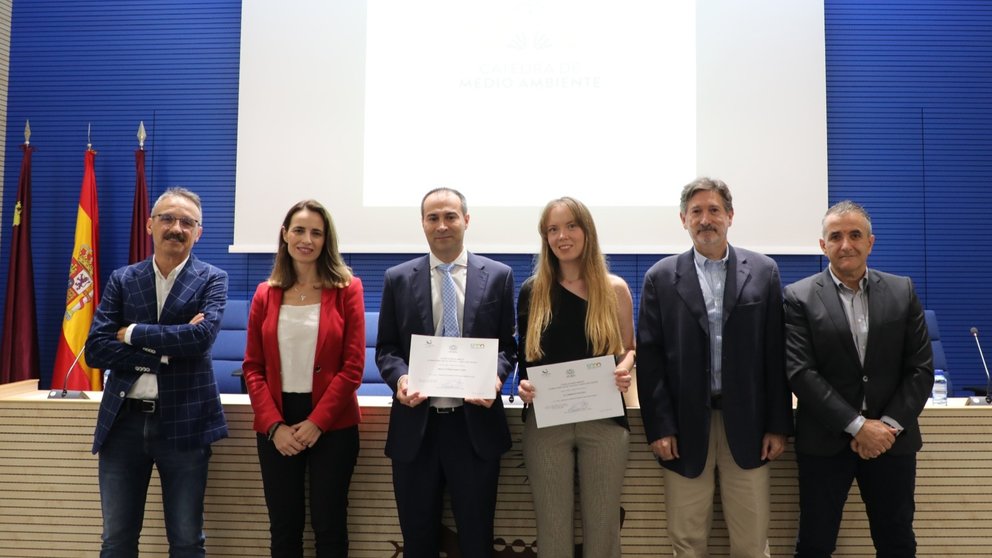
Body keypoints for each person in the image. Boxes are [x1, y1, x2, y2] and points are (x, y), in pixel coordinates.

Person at [636, 177, 794, 557]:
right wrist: (660, 427)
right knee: (687, 541)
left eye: (714, 210)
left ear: (730, 216)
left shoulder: (763, 271)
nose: (705, 219)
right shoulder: (660, 277)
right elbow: (651, 359)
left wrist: (778, 423)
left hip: (751, 425)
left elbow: (776, 353)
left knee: (752, 541)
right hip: (685, 429)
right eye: (696, 212)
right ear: (683, 219)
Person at [784, 200, 933, 558]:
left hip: (891, 442)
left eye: (855, 235)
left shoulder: (902, 291)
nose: (845, 244)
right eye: (835, 236)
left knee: (897, 541)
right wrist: (857, 426)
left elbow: (920, 368)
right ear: (823, 245)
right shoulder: (798, 297)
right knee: (815, 542)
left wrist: (887, 427)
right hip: (825, 439)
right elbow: (800, 372)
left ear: (871, 242)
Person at [86, 187, 229, 557]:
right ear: (150, 225)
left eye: (187, 222)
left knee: (186, 541)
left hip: (185, 423)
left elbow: (200, 340)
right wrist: (165, 353)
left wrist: (131, 333)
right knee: (116, 540)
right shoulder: (123, 279)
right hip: (123, 425)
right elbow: (97, 348)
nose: (176, 227)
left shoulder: (213, 279)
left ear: (199, 232)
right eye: (167, 218)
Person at [375, 187, 516, 558]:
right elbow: (387, 349)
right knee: (418, 540)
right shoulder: (398, 278)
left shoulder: (499, 276)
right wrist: (401, 379)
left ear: (466, 220)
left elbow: (508, 346)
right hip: (417, 427)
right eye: (433, 217)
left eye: (450, 216)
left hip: (474, 427)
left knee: (476, 538)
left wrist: (496, 377)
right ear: (423, 223)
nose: (442, 225)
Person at [242, 200, 365, 557]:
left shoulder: (348, 288)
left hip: (333, 422)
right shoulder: (266, 292)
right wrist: (273, 426)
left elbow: (353, 366)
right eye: (299, 230)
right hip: (276, 422)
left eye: (316, 232)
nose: (306, 239)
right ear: (284, 235)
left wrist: (317, 422)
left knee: (329, 526)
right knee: (284, 527)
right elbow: (253, 367)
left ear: (327, 240)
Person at [516, 197, 635, 558]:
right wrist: (522, 386)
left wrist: (624, 369)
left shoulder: (614, 289)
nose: (562, 236)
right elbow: (526, 360)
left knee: (603, 530)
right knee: (552, 533)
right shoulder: (532, 291)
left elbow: (629, 347)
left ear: (587, 231)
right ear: (545, 238)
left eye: (570, 226)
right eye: (553, 229)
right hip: (546, 422)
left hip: (604, 422)